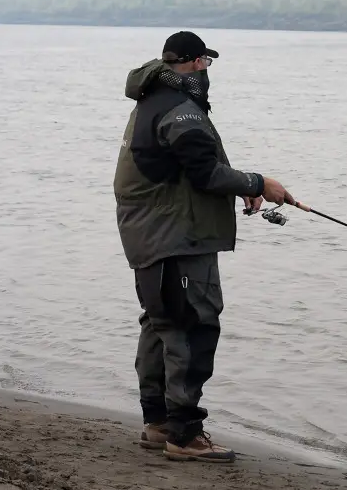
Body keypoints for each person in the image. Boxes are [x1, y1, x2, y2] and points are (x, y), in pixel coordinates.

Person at [113, 30, 294, 462]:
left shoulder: (151, 101)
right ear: (195, 64)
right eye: (205, 64)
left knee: (161, 324)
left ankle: (157, 424)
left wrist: (238, 187)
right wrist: (259, 183)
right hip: (176, 237)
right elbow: (204, 172)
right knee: (192, 325)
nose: (206, 72)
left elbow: (191, 166)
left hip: (149, 235)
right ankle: (185, 433)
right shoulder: (180, 110)